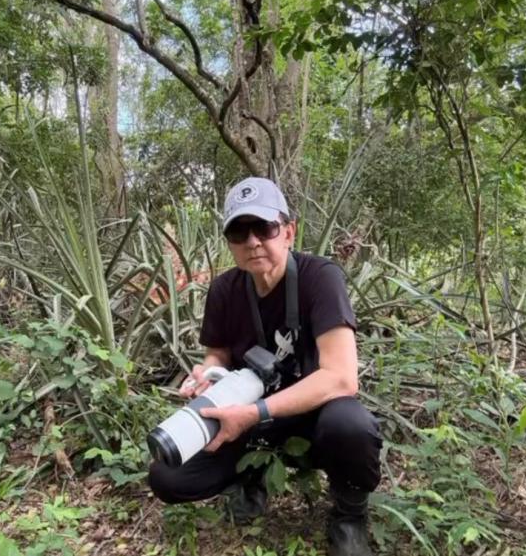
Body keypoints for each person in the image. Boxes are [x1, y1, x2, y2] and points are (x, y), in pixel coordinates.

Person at [148, 177, 382, 556]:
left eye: (265, 228)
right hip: (243, 412)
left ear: (288, 232)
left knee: (350, 425)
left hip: (309, 414)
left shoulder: (320, 278)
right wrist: (206, 373)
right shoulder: (225, 289)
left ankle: (349, 515)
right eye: (239, 232)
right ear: (230, 243)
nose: (253, 241)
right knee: (167, 475)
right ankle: (249, 477)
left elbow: (341, 377)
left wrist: (254, 413)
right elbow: (218, 354)